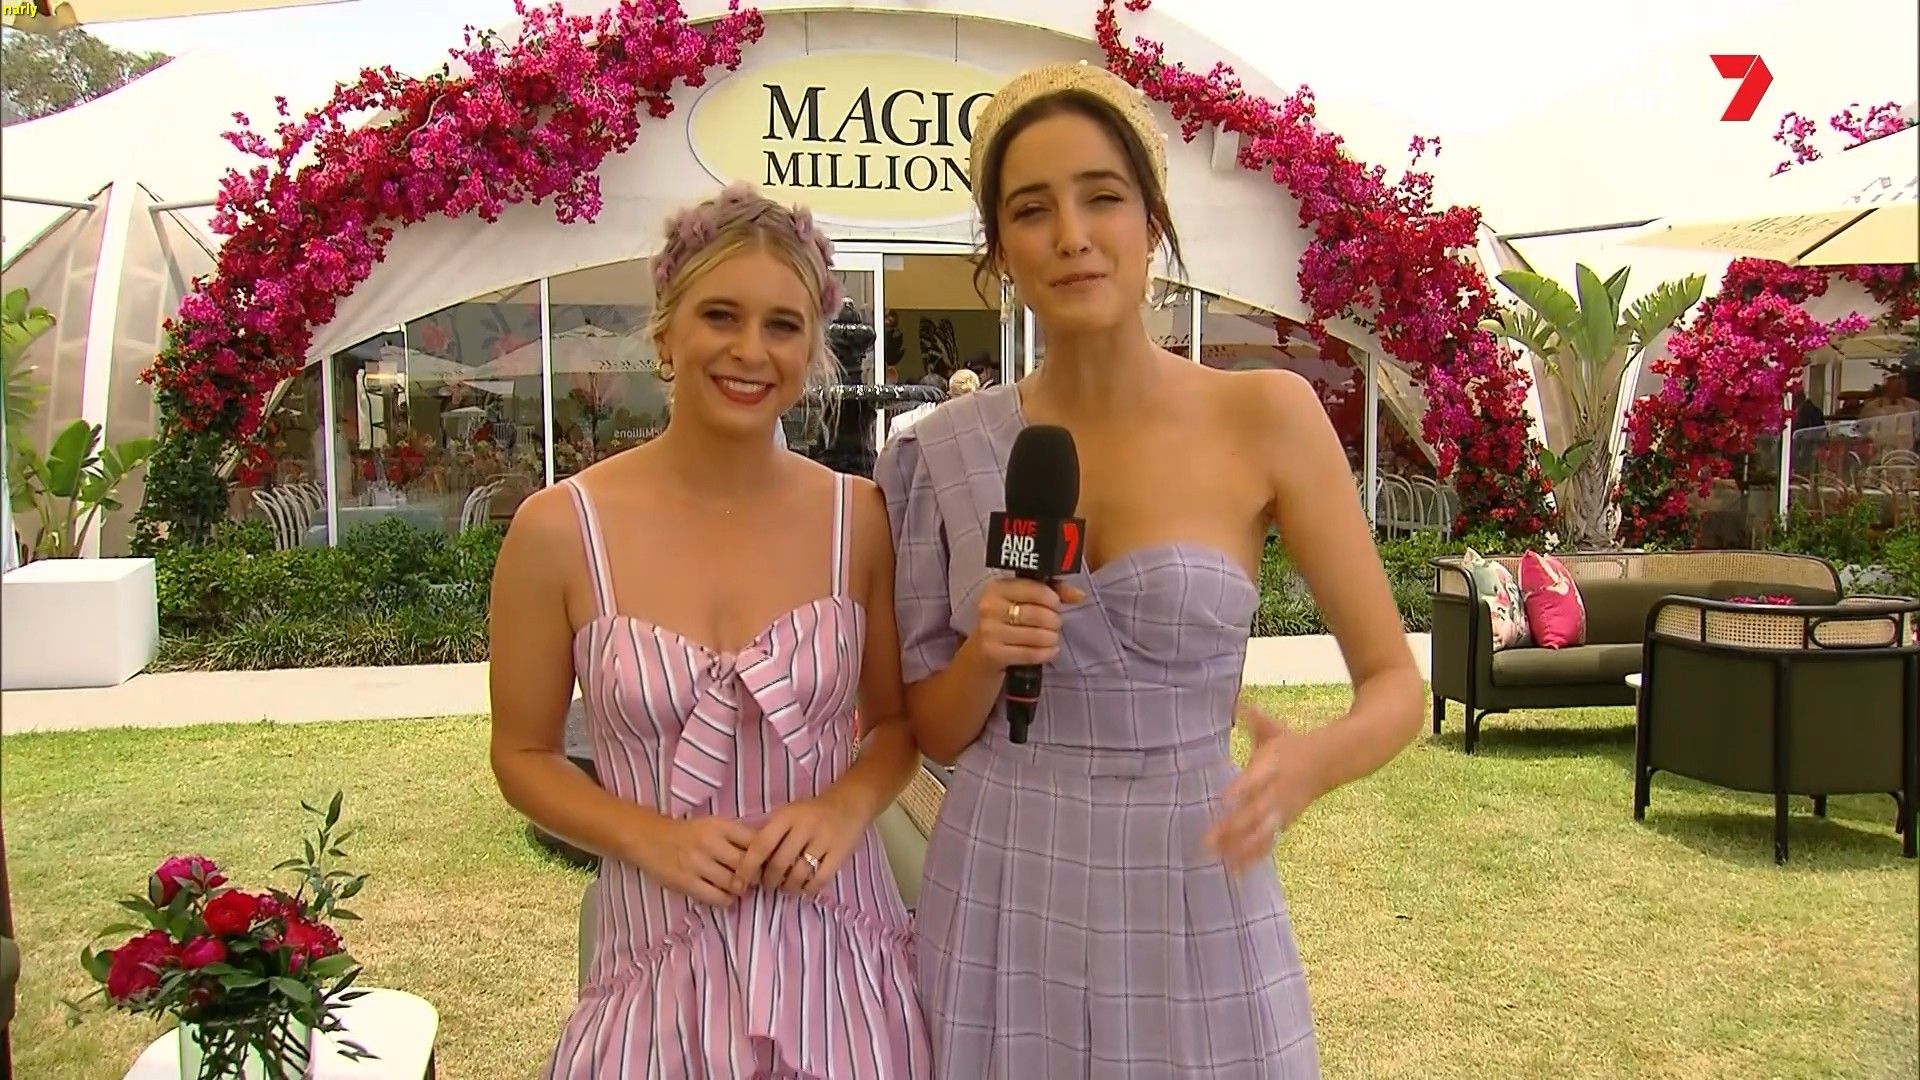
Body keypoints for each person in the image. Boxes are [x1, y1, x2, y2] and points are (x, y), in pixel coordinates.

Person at [875, 62, 1423, 1076]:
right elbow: (931, 729)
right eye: (1031, 209)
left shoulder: (1266, 416)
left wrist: (1312, 763)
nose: (1072, 235)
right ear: (999, 251)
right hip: (1002, 878)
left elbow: (1395, 686)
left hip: (1193, 874)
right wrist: (986, 653)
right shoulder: (939, 454)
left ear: (1152, 221)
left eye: (1102, 197)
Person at [488, 182, 931, 1078]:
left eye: (782, 325)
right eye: (720, 315)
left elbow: (895, 726)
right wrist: (649, 837)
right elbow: (523, 756)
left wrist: (843, 808)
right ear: (665, 331)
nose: (750, 350)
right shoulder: (559, 530)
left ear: (812, 349)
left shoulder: (860, 520)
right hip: (654, 971)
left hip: (842, 965)